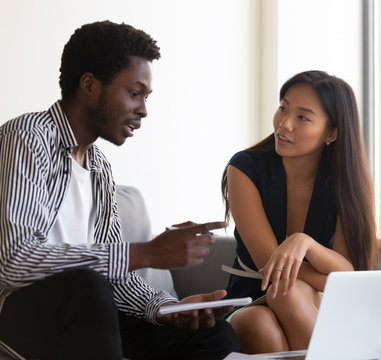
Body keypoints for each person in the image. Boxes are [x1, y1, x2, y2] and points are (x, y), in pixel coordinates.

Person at [0, 20, 239, 360]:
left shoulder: (98, 167)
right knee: (88, 286)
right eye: (134, 92)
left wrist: (168, 308)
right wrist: (145, 253)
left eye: (145, 96)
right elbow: (15, 260)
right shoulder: (27, 137)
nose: (143, 109)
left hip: (89, 314)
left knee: (214, 336)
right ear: (89, 85)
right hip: (20, 314)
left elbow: (115, 278)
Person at [220, 70, 380, 354]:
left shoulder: (347, 182)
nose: (284, 124)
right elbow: (272, 267)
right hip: (247, 301)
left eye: (302, 117)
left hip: (315, 304)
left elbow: (348, 269)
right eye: (283, 108)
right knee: (268, 310)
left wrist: (305, 242)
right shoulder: (244, 169)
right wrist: (350, 286)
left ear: (332, 132)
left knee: (289, 293)